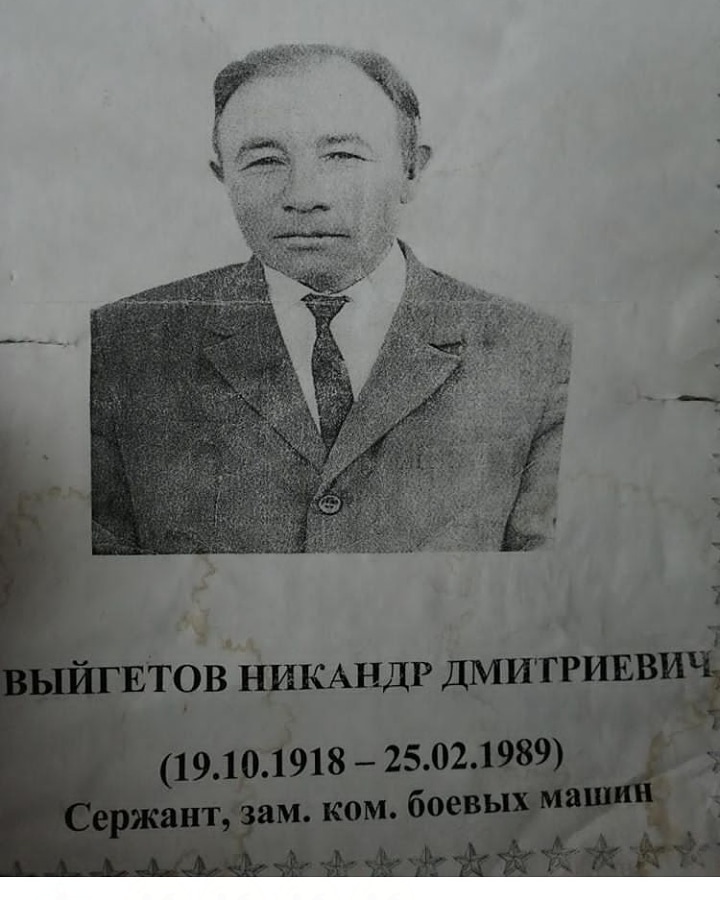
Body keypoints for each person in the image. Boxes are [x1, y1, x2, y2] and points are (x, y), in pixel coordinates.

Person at [91, 43, 571, 555]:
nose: (304, 196)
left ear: (411, 170)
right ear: (222, 176)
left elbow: (546, 584)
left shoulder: (535, 353)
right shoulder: (119, 347)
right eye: (264, 161)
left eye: (342, 156)